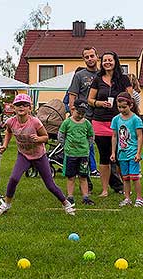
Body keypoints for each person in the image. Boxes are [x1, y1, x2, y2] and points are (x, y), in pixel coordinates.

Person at [0, 94, 76, 216]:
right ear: (13, 108)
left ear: (29, 108)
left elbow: (46, 137)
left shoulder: (35, 122)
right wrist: (5, 145)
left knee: (50, 185)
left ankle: (66, 204)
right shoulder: (11, 122)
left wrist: (38, 139)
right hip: (23, 155)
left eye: (24, 105)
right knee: (14, 178)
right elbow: (8, 132)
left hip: (39, 156)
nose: (21, 107)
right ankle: (6, 204)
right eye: (18, 105)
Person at [88, 51, 133, 197]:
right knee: (104, 156)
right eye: (105, 60)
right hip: (100, 121)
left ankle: (126, 189)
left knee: (122, 156)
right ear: (102, 62)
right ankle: (105, 190)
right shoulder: (97, 79)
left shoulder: (124, 79)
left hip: (120, 122)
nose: (107, 62)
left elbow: (130, 98)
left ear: (115, 62)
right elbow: (90, 100)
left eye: (110, 60)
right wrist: (99, 103)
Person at [68, 47, 100, 184]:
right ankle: (87, 176)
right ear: (84, 59)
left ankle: (114, 181)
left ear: (97, 56)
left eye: (92, 56)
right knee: (86, 147)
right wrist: (72, 111)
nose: (90, 59)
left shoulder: (102, 74)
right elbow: (72, 95)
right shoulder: (79, 75)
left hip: (100, 115)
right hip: (84, 116)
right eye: (86, 57)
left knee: (106, 147)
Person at [58, 100, 95, 206]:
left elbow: (91, 136)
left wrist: (87, 147)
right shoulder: (67, 123)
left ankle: (86, 197)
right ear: (73, 109)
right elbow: (61, 135)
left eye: (83, 113)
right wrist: (65, 146)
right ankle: (70, 196)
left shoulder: (87, 123)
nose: (80, 115)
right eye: (78, 112)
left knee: (83, 176)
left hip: (83, 154)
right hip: (71, 154)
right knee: (71, 176)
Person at [110, 92, 143, 207]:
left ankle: (139, 198)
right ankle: (127, 198)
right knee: (125, 177)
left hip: (133, 152)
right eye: (119, 107)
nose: (121, 109)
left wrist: (138, 153)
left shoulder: (136, 119)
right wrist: (113, 152)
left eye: (124, 107)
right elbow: (114, 136)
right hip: (121, 153)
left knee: (134, 177)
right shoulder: (116, 119)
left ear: (131, 105)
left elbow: (139, 137)